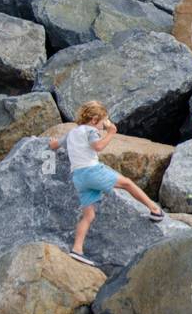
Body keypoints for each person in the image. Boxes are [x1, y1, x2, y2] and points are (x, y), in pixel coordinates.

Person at [48, 101, 165, 266]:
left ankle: (77, 249)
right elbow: (98, 146)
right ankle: (155, 210)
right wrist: (111, 132)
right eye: (104, 121)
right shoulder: (91, 130)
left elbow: (55, 145)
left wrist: (51, 144)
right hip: (91, 171)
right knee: (127, 183)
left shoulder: (73, 132)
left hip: (79, 177)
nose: (105, 124)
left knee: (89, 215)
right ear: (95, 119)